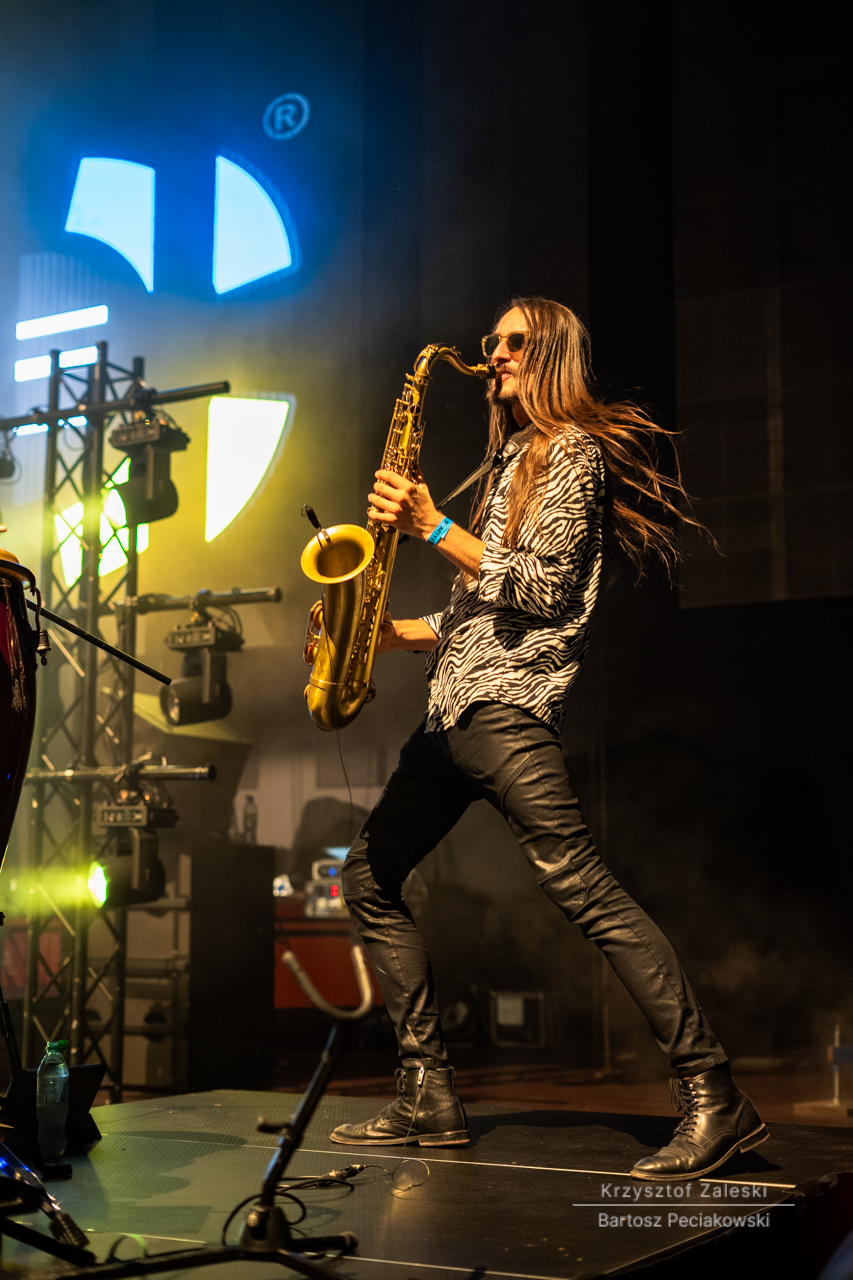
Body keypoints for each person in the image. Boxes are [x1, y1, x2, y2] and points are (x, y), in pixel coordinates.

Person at [330, 297, 766, 1182]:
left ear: (553, 355)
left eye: (514, 343)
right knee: (368, 879)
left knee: (586, 893)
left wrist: (430, 527)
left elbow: (543, 591)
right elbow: (479, 610)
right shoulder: (511, 459)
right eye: (491, 342)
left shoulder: (569, 450)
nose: (494, 354)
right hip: (451, 714)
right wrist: (382, 633)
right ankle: (426, 1094)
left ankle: (715, 1095)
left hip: (505, 712)